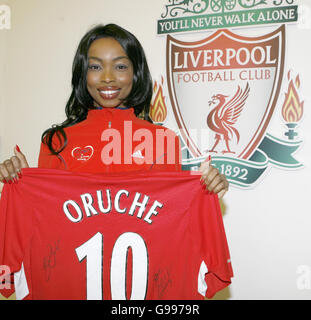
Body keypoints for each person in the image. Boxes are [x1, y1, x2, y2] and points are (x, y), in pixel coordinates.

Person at [0, 24, 228, 198]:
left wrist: (206, 190)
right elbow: (43, 217)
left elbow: (171, 214)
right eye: (95, 67)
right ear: (83, 74)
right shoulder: (56, 141)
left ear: (136, 73)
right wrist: (23, 185)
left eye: (120, 66)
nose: (107, 78)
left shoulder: (163, 141)